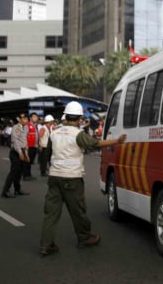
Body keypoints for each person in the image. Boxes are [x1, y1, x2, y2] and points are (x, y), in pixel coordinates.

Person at [39, 101, 127, 256]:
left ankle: (46, 244)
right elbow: (97, 143)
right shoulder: (78, 134)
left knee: (51, 212)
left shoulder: (55, 133)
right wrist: (117, 141)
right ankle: (85, 237)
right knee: (78, 210)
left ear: (66, 116)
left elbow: (47, 154)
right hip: (72, 179)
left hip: (54, 177)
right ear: (79, 118)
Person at [1, 114, 31, 198]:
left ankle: (17, 189)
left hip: (23, 150)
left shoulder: (26, 128)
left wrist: (26, 154)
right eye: (24, 118)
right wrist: (20, 152)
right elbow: (15, 141)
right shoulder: (16, 127)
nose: (26, 120)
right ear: (20, 120)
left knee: (20, 172)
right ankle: (5, 191)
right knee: (13, 172)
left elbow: (24, 142)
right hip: (15, 151)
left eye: (26, 118)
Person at [23, 113, 39, 180]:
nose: (36, 118)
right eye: (34, 117)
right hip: (28, 146)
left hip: (34, 146)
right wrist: (25, 145)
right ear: (30, 118)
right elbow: (24, 135)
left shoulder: (35, 126)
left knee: (30, 162)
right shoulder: (27, 125)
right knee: (27, 161)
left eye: (36, 117)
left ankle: (29, 174)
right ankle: (25, 175)